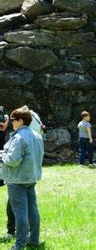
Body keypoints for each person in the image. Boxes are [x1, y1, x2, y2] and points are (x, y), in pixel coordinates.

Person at [2, 107, 44, 249]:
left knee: (20, 213)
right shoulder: (37, 135)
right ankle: (34, 240)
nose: (11, 122)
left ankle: (19, 245)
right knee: (33, 210)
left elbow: (13, 160)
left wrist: (2, 156)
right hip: (31, 178)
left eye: (13, 120)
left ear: (20, 121)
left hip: (17, 180)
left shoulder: (18, 137)